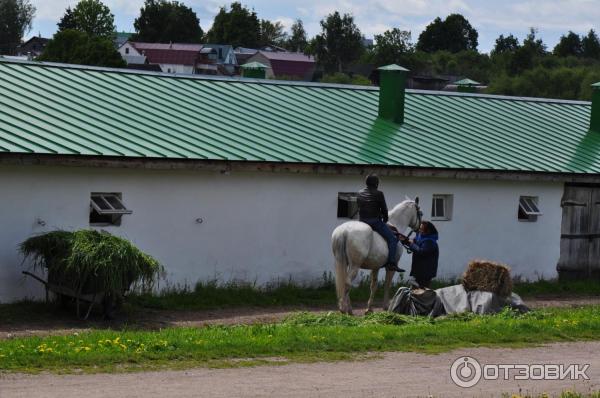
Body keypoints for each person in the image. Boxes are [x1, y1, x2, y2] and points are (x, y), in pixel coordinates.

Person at [357, 174, 404, 272]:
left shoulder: (359, 193)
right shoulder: (379, 193)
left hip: (361, 221)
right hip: (374, 222)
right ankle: (391, 263)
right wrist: (385, 220)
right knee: (393, 239)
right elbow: (384, 209)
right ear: (376, 183)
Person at [401, 221, 439, 288]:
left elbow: (421, 251)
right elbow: (414, 242)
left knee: (423, 293)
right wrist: (405, 240)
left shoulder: (430, 241)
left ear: (428, 231)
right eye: (420, 228)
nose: (419, 230)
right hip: (418, 271)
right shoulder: (421, 236)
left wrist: (410, 244)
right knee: (415, 292)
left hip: (425, 273)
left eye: (421, 229)